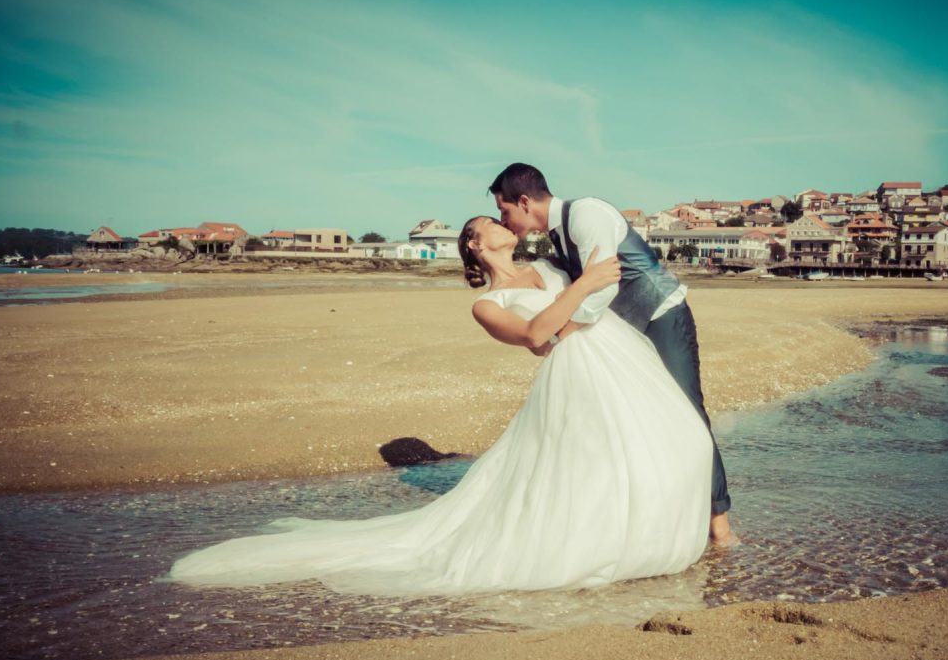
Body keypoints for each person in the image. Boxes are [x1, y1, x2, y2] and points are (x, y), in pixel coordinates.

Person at [162, 216, 714, 596]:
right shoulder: (486, 304)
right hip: (574, 375)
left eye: (500, 219)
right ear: (475, 245)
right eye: (489, 225)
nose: (502, 226)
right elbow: (536, 336)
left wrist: (593, 280)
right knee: (587, 465)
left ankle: (665, 530)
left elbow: (595, 290)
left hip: (617, 358)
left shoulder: (549, 270)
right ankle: (607, 545)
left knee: (675, 442)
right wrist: (586, 284)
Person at [487, 162, 739, 548]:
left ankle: (719, 524)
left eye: (504, 211)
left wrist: (562, 333)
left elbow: (604, 286)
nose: (505, 222)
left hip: (660, 315)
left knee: (689, 412)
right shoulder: (557, 235)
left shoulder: (586, 214)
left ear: (524, 201)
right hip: (625, 333)